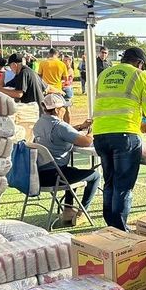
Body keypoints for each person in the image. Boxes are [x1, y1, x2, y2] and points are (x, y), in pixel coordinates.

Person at [92, 47, 146, 231]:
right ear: (140, 63)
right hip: (125, 135)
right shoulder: (140, 75)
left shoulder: (104, 74)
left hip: (100, 134)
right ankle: (120, 229)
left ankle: (111, 226)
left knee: (110, 182)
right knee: (123, 185)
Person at [32, 94, 100, 226]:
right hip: (56, 176)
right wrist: (92, 132)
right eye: (64, 108)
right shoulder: (60, 126)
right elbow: (86, 142)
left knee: (72, 170)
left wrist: (80, 127)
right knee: (95, 176)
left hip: (39, 175)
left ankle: (68, 209)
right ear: (57, 110)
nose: (66, 110)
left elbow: (62, 132)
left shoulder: (39, 123)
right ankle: (82, 212)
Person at [0, 53, 45, 140]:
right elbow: (46, 87)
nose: (10, 69)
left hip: (33, 113)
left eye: (10, 66)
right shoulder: (29, 72)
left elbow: (19, 94)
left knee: (30, 139)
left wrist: (0, 89)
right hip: (38, 110)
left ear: (14, 64)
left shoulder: (23, 73)